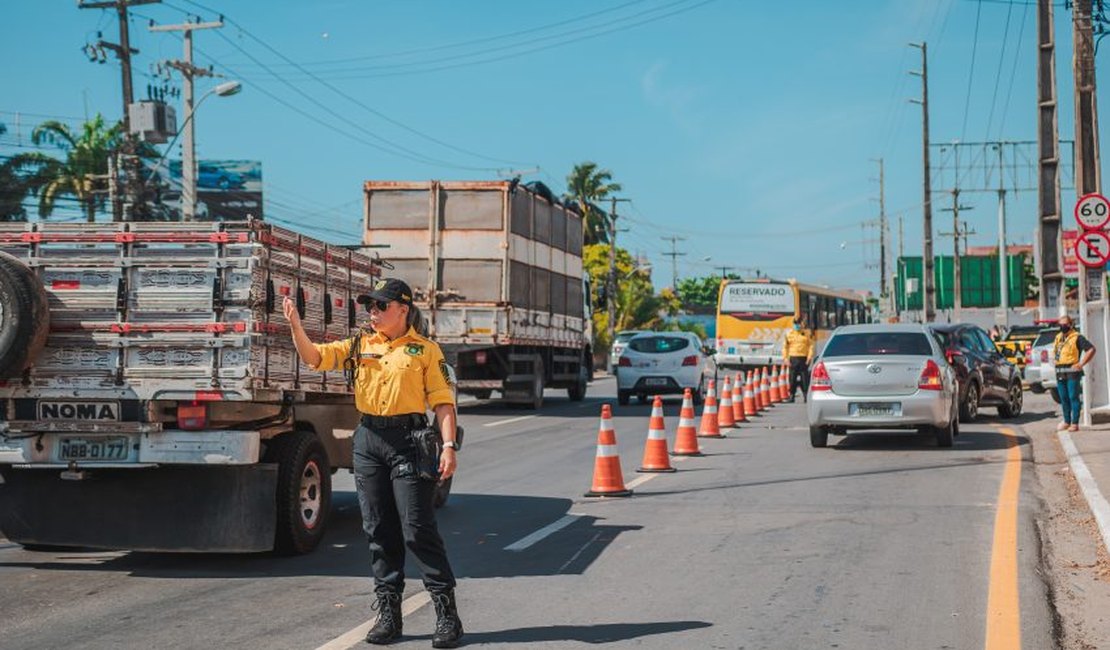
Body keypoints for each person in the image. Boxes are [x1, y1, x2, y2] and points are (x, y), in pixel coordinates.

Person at [285, 277, 464, 648]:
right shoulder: (358, 344)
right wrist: (296, 328)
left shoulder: (426, 351)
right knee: (378, 530)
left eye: (381, 306)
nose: (374, 312)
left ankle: (447, 615)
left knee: (416, 528)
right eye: (371, 305)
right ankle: (388, 615)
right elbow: (315, 357)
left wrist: (448, 446)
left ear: (403, 309)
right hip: (368, 440)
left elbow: (443, 403)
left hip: (409, 442)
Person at [1053, 314, 1096, 433]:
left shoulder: (1077, 337)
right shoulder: (1058, 337)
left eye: (1065, 325)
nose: (1062, 327)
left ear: (1070, 325)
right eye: (1060, 325)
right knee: (1063, 398)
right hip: (1060, 371)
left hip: (1072, 371)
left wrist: (1081, 364)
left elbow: (1091, 349)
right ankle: (1066, 421)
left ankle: (1075, 423)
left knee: (1073, 397)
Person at [782, 317, 815, 403]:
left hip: (803, 359)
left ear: (802, 324)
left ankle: (805, 396)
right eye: (795, 323)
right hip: (793, 359)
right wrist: (785, 359)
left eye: (799, 323)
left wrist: (809, 358)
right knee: (792, 379)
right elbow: (785, 347)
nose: (797, 325)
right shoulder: (789, 334)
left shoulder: (806, 334)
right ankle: (791, 396)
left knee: (805, 379)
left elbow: (811, 346)